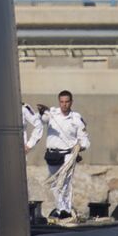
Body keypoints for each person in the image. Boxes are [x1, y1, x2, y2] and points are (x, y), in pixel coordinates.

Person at [41, 90, 89, 220]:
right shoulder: (52, 114)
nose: (64, 105)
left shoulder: (76, 118)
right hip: (52, 154)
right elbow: (43, 119)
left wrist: (80, 148)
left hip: (68, 155)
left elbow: (84, 139)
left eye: (67, 102)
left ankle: (65, 210)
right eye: (62, 102)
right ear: (59, 102)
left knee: (65, 184)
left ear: (71, 102)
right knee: (55, 184)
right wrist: (42, 113)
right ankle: (60, 208)